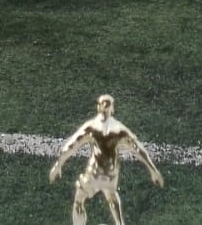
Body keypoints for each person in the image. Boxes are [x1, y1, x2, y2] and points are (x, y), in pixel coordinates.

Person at [49, 95, 164, 225]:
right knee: (111, 196)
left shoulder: (92, 127)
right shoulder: (119, 129)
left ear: (98, 107)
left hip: (94, 173)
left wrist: (58, 165)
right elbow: (138, 149)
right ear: (112, 109)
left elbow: (71, 146)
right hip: (110, 174)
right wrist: (153, 170)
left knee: (79, 199)